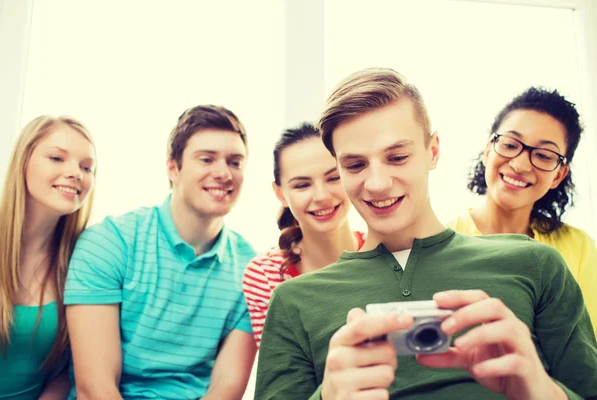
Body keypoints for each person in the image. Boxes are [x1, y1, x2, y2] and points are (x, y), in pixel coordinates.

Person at [254, 68, 597, 400]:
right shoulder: (292, 302)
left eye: (398, 157)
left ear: (432, 151)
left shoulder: (535, 263)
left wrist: (545, 393)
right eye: (355, 165)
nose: (376, 184)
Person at [64, 105, 257, 399]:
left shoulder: (250, 269)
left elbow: (225, 390)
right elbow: (95, 389)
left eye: (235, 162)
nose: (223, 173)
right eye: (206, 159)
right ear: (173, 167)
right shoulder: (109, 242)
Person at [447, 87, 597, 332]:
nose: (519, 164)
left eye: (544, 155)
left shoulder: (579, 248)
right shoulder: (440, 239)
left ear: (559, 175)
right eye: (509, 144)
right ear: (488, 151)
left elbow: (589, 351)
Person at [0, 116, 96, 400]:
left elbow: (67, 371)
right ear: (23, 161)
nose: (75, 173)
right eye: (56, 158)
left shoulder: (86, 258)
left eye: (86, 167)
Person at [242, 123, 365, 346]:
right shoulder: (265, 275)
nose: (321, 196)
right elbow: (284, 372)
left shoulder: (390, 250)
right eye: (302, 185)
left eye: (333, 177)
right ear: (280, 194)